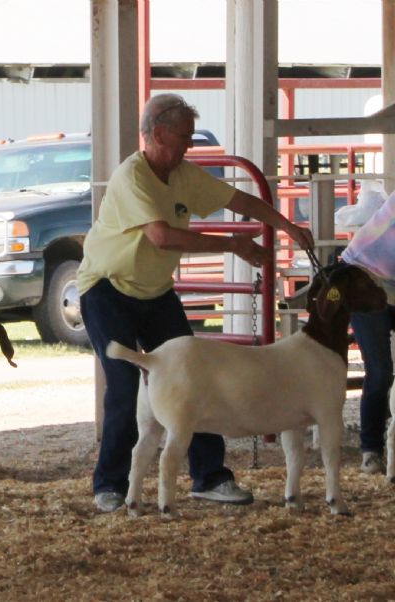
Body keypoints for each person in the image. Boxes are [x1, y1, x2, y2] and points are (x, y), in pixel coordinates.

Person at [77, 93, 314, 513]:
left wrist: (288, 226)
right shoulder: (132, 176)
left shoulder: (184, 174)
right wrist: (234, 245)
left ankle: (210, 477)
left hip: (153, 291)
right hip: (107, 289)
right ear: (157, 133)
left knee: (196, 375)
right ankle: (109, 484)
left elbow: (240, 201)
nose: (190, 144)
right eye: (184, 136)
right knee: (124, 383)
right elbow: (162, 236)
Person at [341, 188, 395, 474]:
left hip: (388, 279)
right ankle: (371, 448)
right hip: (365, 279)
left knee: (381, 371)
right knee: (380, 370)